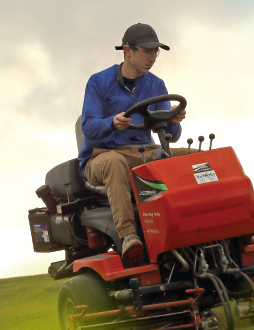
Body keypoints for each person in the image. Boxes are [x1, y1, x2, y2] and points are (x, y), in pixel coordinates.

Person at [78, 23, 188, 267]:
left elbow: (171, 136)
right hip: (102, 156)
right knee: (115, 161)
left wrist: (173, 121)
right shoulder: (98, 82)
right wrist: (111, 123)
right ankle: (129, 235)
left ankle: (220, 223)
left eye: (155, 52)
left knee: (196, 156)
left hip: (143, 152)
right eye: (147, 52)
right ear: (128, 50)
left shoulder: (156, 85)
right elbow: (89, 127)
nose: (153, 58)